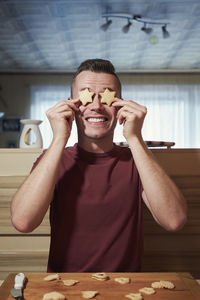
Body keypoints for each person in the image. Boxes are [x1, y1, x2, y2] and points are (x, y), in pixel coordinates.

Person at [11, 59, 187, 273]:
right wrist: (59, 138)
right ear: (71, 105)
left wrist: (135, 137)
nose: (96, 105)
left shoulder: (137, 161)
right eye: (86, 95)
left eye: (107, 95)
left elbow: (174, 220)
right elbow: (23, 222)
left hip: (126, 290)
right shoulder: (54, 160)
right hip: (64, 288)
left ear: (120, 104)